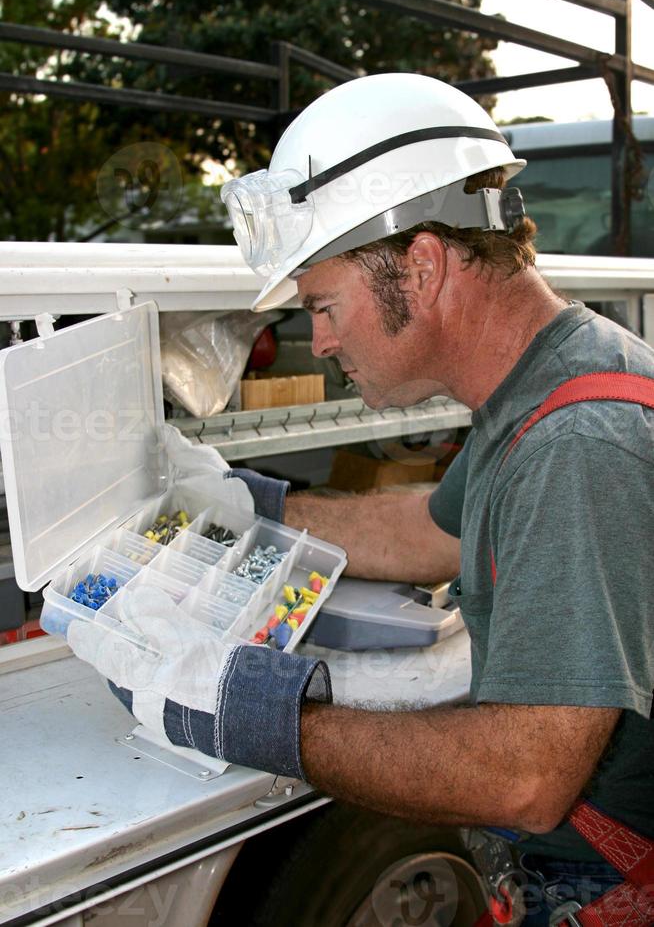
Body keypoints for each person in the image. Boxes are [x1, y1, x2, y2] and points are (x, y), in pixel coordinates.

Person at [69, 74, 654, 926]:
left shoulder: (577, 442)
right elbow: (429, 530)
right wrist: (240, 503)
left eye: (324, 304)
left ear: (420, 267)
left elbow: (524, 776)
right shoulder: (550, 376)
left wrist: (252, 713)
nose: (324, 339)